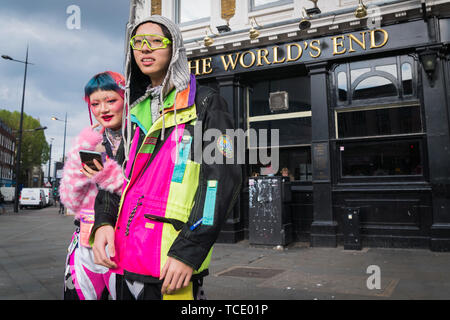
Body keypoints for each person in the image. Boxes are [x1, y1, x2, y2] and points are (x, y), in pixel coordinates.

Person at [90, 15, 242, 300]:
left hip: (171, 264)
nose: (145, 48)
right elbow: (114, 178)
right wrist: (103, 222)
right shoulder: (134, 115)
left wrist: (190, 250)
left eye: (156, 41)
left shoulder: (209, 103)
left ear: (175, 48)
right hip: (122, 259)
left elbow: (222, 181)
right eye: (138, 42)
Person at [59, 71, 126, 300]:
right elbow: (69, 199)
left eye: (111, 100)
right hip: (85, 245)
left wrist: (103, 173)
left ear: (125, 99)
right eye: (95, 103)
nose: (103, 109)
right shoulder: (88, 143)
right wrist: (78, 176)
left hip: (125, 244)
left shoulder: (143, 139)